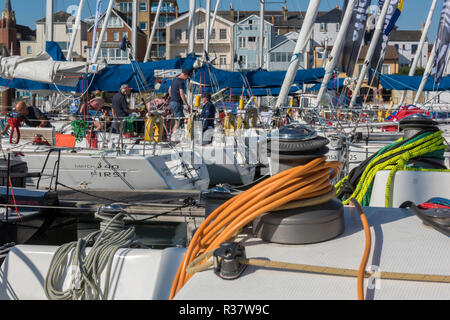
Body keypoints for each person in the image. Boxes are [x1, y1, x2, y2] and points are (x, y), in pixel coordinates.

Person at [168, 69, 192, 137]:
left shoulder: (174, 80)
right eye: (187, 77)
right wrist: (186, 104)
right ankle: (174, 138)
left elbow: (169, 89)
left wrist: (172, 97)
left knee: (177, 120)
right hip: (177, 103)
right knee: (179, 121)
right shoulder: (181, 82)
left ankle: (174, 136)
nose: (187, 79)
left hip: (172, 102)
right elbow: (181, 93)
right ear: (184, 74)